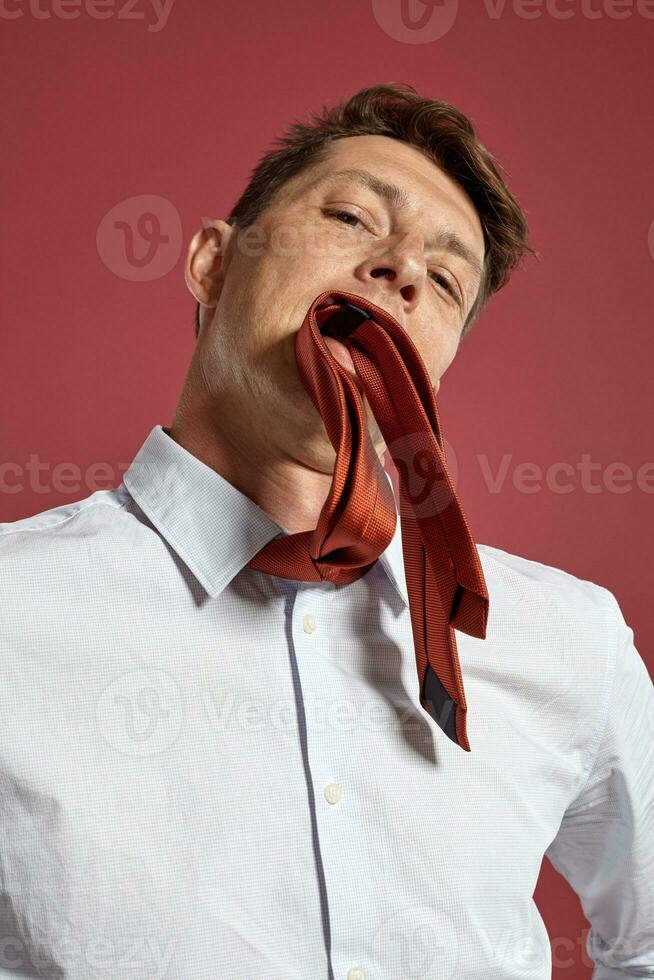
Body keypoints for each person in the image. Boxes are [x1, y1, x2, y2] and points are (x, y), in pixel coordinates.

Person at [1, 82, 652, 980]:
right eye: (351, 217)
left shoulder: (572, 642)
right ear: (211, 265)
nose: (404, 270)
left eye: (448, 278)